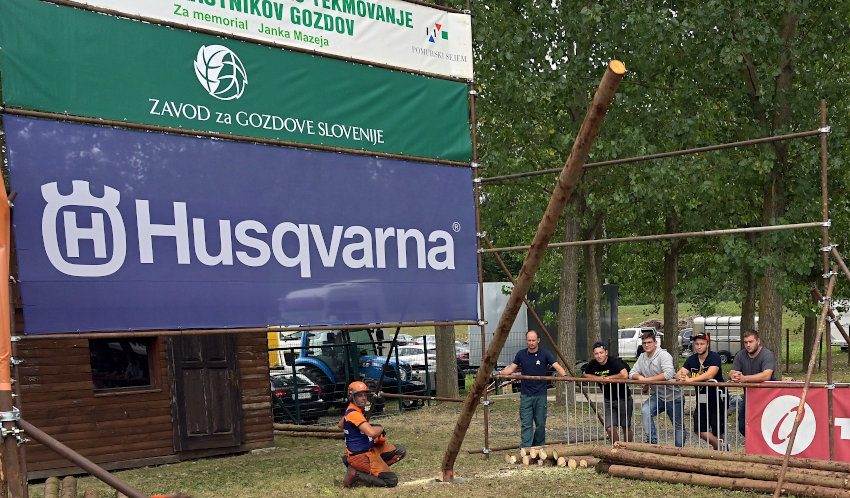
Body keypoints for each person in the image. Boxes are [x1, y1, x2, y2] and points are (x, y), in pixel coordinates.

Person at [499, 330, 567, 448]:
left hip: (540, 394)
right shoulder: (521, 354)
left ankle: (539, 446)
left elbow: (557, 366)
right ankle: (526, 447)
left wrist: (565, 376)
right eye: (529, 340)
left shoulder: (545, 354)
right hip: (526, 394)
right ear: (526, 341)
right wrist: (499, 373)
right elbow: (510, 369)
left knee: (540, 423)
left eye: (533, 340)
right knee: (526, 423)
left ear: (538, 340)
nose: (531, 343)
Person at [338, 381, 406, 488]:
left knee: (400, 451)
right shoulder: (354, 414)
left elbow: (341, 425)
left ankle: (373, 469)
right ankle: (357, 474)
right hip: (362, 456)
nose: (364, 398)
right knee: (391, 481)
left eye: (365, 395)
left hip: (370, 449)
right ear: (352, 397)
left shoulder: (352, 410)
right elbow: (372, 433)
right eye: (360, 395)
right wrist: (381, 428)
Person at [629, 330, 685, 447]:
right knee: (645, 410)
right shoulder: (642, 357)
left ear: (656, 343)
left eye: (649, 342)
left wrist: (648, 380)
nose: (647, 345)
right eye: (644, 343)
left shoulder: (664, 355)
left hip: (674, 396)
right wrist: (641, 378)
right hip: (659, 396)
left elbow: (668, 373)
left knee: (678, 425)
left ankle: (678, 453)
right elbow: (632, 373)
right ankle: (652, 442)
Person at [676, 332, 728, 450]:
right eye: (697, 344)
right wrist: (682, 377)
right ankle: (721, 448)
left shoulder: (714, 357)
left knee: (717, 430)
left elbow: (710, 374)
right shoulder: (692, 359)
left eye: (702, 344)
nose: (699, 346)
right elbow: (679, 373)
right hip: (702, 399)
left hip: (717, 397)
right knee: (699, 430)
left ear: (707, 344)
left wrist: (691, 380)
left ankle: (719, 453)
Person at [583, 341, 634, 443]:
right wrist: (598, 378)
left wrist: (608, 378)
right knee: (610, 428)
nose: (599, 356)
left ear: (606, 352)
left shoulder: (614, 361)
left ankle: (628, 449)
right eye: (596, 353)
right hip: (608, 400)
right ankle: (616, 449)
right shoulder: (593, 364)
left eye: (601, 353)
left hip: (623, 398)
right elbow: (585, 374)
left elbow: (624, 375)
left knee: (625, 426)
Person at [729, 330, 776, 436]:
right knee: (742, 426)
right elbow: (732, 372)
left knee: (766, 427)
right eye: (745, 342)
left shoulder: (767, 354)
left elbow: (766, 375)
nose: (748, 345)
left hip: (767, 397)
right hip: (749, 396)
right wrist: (733, 376)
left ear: (758, 341)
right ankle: (753, 448)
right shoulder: (740, 355)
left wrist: (744, 378)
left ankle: (762, 449)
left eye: (751, 342)